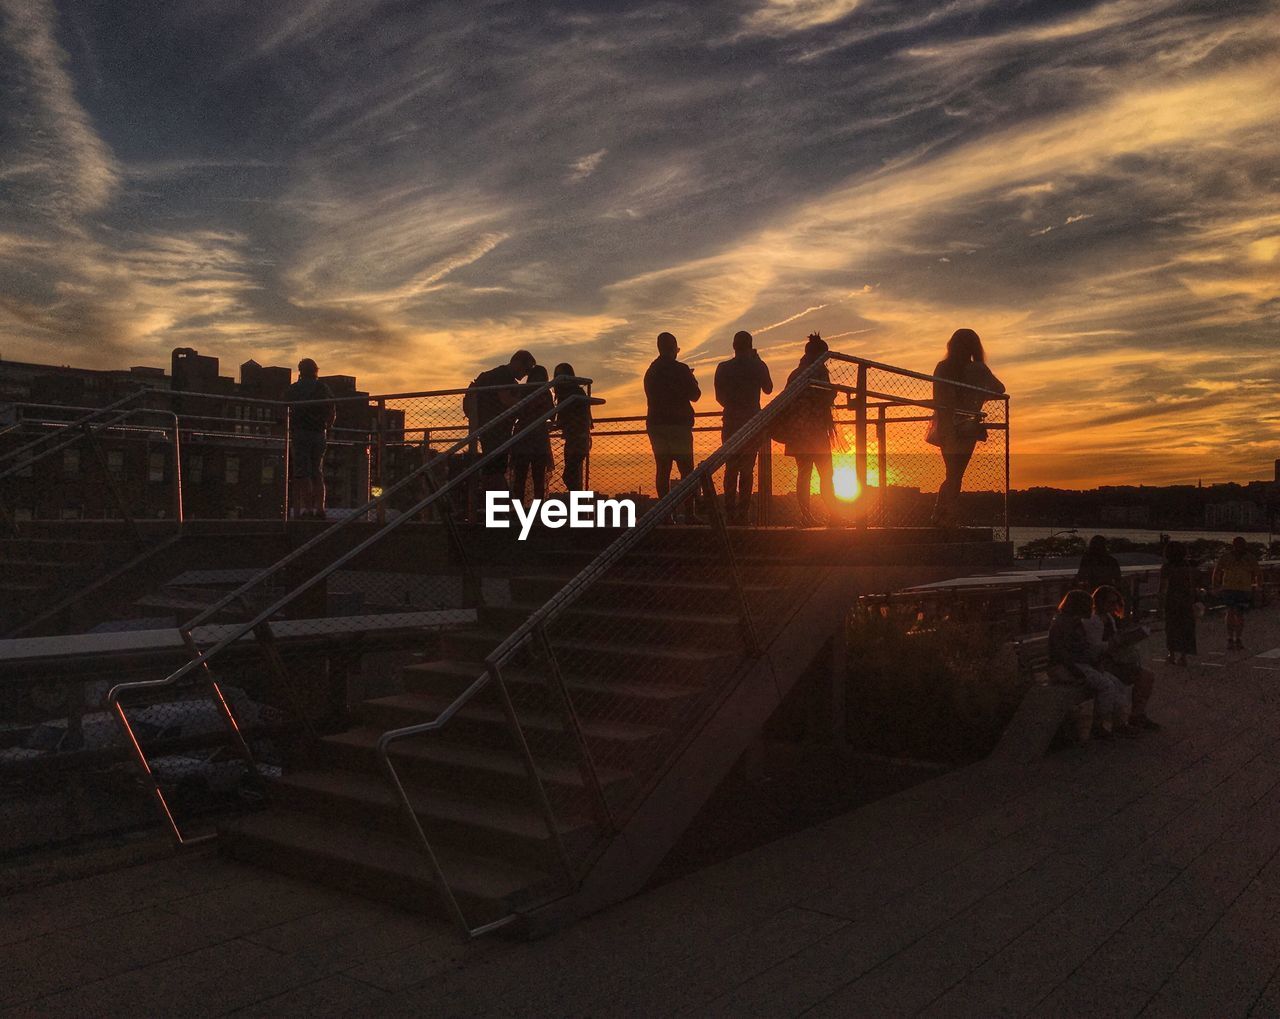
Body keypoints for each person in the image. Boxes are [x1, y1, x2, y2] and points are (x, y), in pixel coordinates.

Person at [928, 328, 1005, 527]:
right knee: (956, 473)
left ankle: (942, 514)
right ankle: (944, 515)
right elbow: (1000, 389)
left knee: (952, 473)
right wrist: (978, 397)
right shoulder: (978, 369)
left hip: (947, 426)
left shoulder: (942, 367)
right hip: (967, 425)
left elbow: (939, 398)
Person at [1048, 589, 1138, 739]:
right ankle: (1099, 726)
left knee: (1116, 683)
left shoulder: (1070, 622)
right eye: (1089, 605)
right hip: (1066, 668)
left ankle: (1118, 723)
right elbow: (1065, 655)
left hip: (1076, 665)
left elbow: (1080, 651)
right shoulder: (1066, 624)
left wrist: (1093, 664)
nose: (1092, 609)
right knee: (1107, 685)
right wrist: (1085, 669)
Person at [713, 330, 773, 524]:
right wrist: (758, 360)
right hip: (752, 422)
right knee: (747, 469)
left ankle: (729, 512)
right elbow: (768, 388)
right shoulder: (758, 366)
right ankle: (743, 514)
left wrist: (732, 405)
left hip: (730, 421)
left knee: (731, 468)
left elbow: (719, 397)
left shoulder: (723, 368)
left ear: (734, 346)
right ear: (750, 345)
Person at [782, 333, 839, 527]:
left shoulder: (795, 373)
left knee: (804, 474)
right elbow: (824, 398)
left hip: (797, 432)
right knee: (826, 473)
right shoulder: (819, 372)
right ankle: (834, 514)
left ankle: (806, 516)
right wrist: (833, 392)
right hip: (816, 431)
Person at [643, 332, 701, 521]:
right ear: (673, 348)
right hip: (679, 425)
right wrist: (690, 378)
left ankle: (666, 515)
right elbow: (696, 395)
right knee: (686, 471)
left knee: (663, 469)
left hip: (656, 425)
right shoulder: (681, 370)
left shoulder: (651, 372)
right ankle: (690, 514)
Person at [1087, 585, 1160, 731]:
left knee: (1147, 676)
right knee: (1143, 677)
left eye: (1115, 602)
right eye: (1111, 602)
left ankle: (1137, 714)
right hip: (1102, 663)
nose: (1114, 606)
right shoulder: (1094, 621)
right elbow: (1094, 648)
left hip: (1112, 660)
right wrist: (1116, 642)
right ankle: (1133, 717)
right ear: (1100, 602)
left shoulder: (1109, 618)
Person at [466, 350, 536, 490]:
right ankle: (497, 504)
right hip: (494, 429)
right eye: (526, 369)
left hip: (491, 427)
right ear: (517, 362)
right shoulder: (502, 375)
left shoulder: (500, 375)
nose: (525, 374)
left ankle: (495, 503)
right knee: (495, 469)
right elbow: (506, 400)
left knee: (494, 468)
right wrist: (527, 403)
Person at [287, 358, 335, 520]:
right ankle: (320, 508)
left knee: (303, 472)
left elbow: (284, 408)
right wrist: (328, 426)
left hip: (300, 433)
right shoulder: (323, 388)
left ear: (300, 370)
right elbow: (331, 409)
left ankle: (307, 509)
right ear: (315, 370)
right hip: (319, 433)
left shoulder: (294, 389)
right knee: (317, 472)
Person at [509, 365, 554, 503]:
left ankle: (519, 508)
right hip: (538, 437)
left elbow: (516, 411)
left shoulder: (523, 391)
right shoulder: (545, 392)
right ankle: (538, 508)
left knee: (521, 476)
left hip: (524, 435)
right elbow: (552, 414)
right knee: (537, 476)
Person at [1213, 536, 1261, 650]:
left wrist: (1259, 586)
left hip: (1243, 589)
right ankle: (1232, 638)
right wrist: (1215, 586)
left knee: (1238, 614)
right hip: (1230, 588)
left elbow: (1258, 574)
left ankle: (1236, 638)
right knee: (1232, 612)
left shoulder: (1250, 558)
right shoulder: (1226, 557)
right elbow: (1217, 572)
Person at [552, 363, 592, 492]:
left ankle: (581, 507)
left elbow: (575, 418)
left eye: (562, 375)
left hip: (579, 438)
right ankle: (580, 508)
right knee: (572, 476)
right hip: (574, 439)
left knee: (569, 476)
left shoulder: (574, 393)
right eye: (557, 375)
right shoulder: (570, 393)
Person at [1160, 540, 1197, 666]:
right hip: (1185, 600)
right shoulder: (1186, 566)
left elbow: (1163, 587)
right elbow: (1191, 585)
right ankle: (1183, 656)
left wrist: (1160, 602)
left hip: (1171, 600)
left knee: (1171, 627)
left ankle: (1171, 655)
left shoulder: (1167, 567)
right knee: (1185, 627)